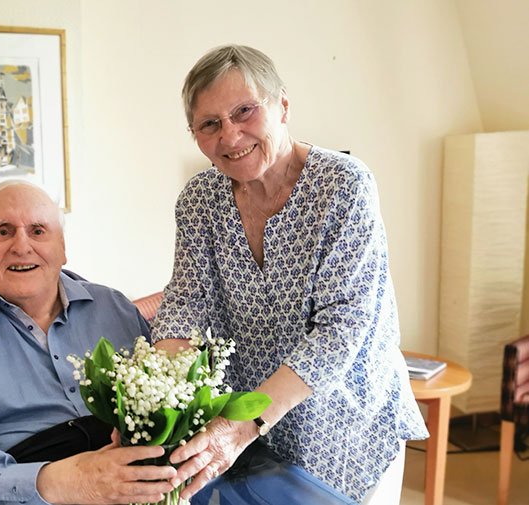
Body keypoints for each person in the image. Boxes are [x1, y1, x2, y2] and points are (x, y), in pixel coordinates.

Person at [152, 45, 429, 504]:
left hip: (345, 427)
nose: (231, 134)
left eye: (244, 111)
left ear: (282, 104)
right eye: (210, 124)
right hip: (250, 436)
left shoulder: (343, 185)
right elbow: (183, 308)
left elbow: (341, 330)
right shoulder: (199, 200)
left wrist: (245, 423)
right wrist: (151, 407)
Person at [0, 181, 179, 505]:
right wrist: (52, 483)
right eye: (3, 231)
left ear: (62, 248)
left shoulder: (115, 308)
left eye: (38, 231)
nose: (21, 246)